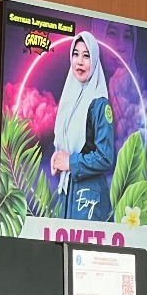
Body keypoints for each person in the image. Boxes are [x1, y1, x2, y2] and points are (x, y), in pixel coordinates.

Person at [50, 31, 116, 222]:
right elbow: (69, 142)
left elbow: (105, 157)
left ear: (94, 61)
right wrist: (58, 156)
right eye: (76, 54)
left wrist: (70, 162)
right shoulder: (70, 99)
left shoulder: (100, 104)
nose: (79, 61)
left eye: (86, 56)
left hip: (90, 199)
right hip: (69, 192)